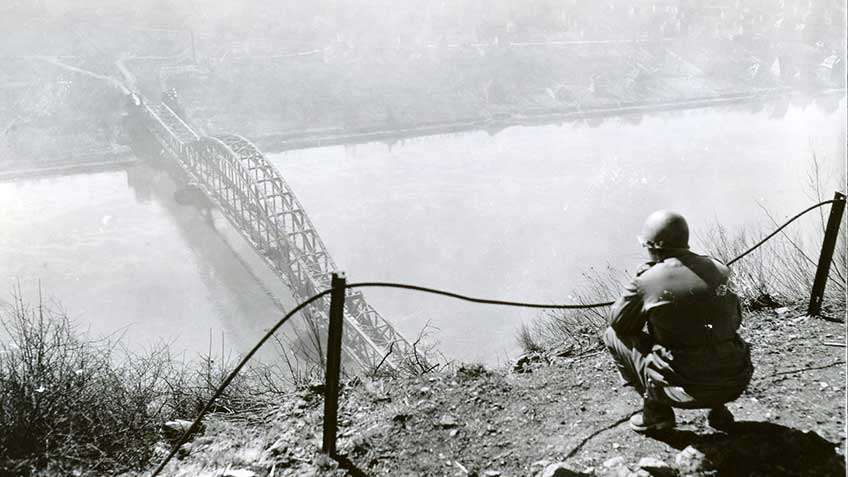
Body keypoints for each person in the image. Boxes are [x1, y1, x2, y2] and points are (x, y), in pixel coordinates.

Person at [602, 210, 753, 433]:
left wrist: (640, 286)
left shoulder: (647, 280)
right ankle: (719, 411)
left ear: (654, 246)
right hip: (735, 381)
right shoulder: (720, 269)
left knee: (612, 335)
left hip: (682, 391)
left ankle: (656, 412)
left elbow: (620, 324)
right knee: (710, 336)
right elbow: (735, 321)